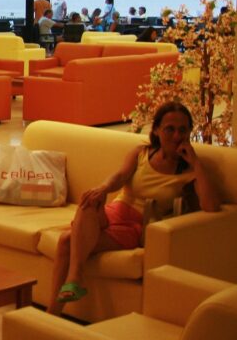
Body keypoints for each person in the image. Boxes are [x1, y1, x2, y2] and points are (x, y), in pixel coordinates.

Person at [46, 101, 218, 315]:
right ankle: (74, 278)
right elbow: (120, 176)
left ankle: (53, 312)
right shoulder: (142, 153)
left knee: (66, 240)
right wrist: (103, 188)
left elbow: (211, 206)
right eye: (169, 129)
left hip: (133, 227)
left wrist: (196, 163)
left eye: (182, 130)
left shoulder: (189, 171)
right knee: (90, 198)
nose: (176, 136)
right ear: (157, 130)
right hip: (113, 212)